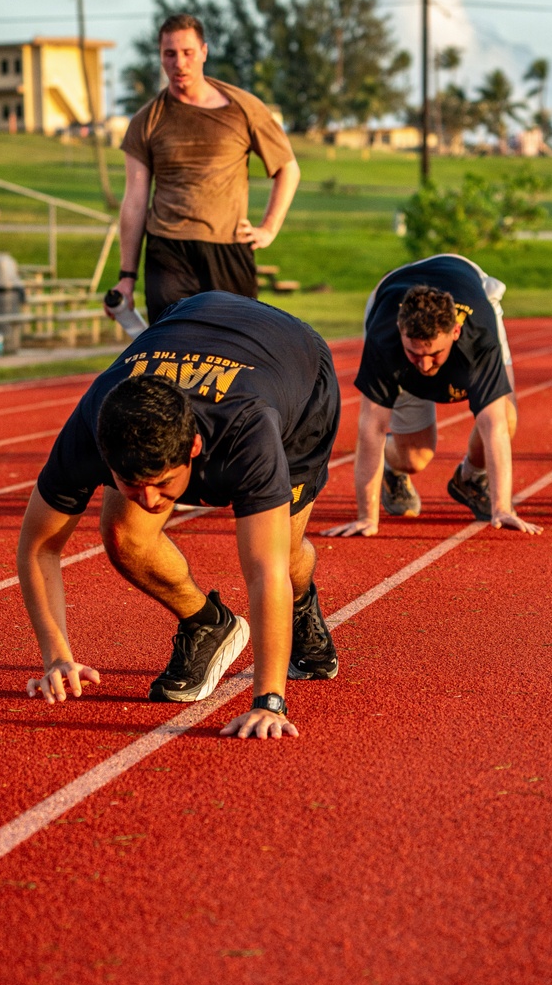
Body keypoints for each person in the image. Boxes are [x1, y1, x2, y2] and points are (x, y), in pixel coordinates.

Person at [18, 294, 341, 740]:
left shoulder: (248, 431)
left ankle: (302, 606)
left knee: (282, 554)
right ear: (105, 456)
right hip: (191, 318)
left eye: (164, 484)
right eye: (132, 484)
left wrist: (268, 701)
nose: (150, 500)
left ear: (193, 448)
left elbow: (264, 570)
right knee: (124, 535)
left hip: (295, 359)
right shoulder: (91, 422)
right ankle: (207, 623)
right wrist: (56, 656)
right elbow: (39, 547)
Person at [329, 254, 541, 538]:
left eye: (434, 354)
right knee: (414, 459)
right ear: (401, 331)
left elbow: (494, 425)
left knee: (507, 413)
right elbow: (372, 426)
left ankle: (471, 478)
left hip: (465, 278)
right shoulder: (384, 337)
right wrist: (367, 517)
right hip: (391, 290)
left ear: (455, 331)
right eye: (414, 353)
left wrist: (502, 507)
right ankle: (393, 467)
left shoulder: (479, 337)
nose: (425, 365)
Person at [115, 14, 301, 323]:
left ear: (204, 51)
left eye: (187, 53)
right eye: (170, 54)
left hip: (228, 248)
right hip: (167, 250)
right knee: (173, 343)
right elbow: (134, 200)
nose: (179, 63)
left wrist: (268, 228)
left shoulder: (243, 108)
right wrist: (126, 277)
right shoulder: (146, 121)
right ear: (160, 56)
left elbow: (288, 168)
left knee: (233, 343)